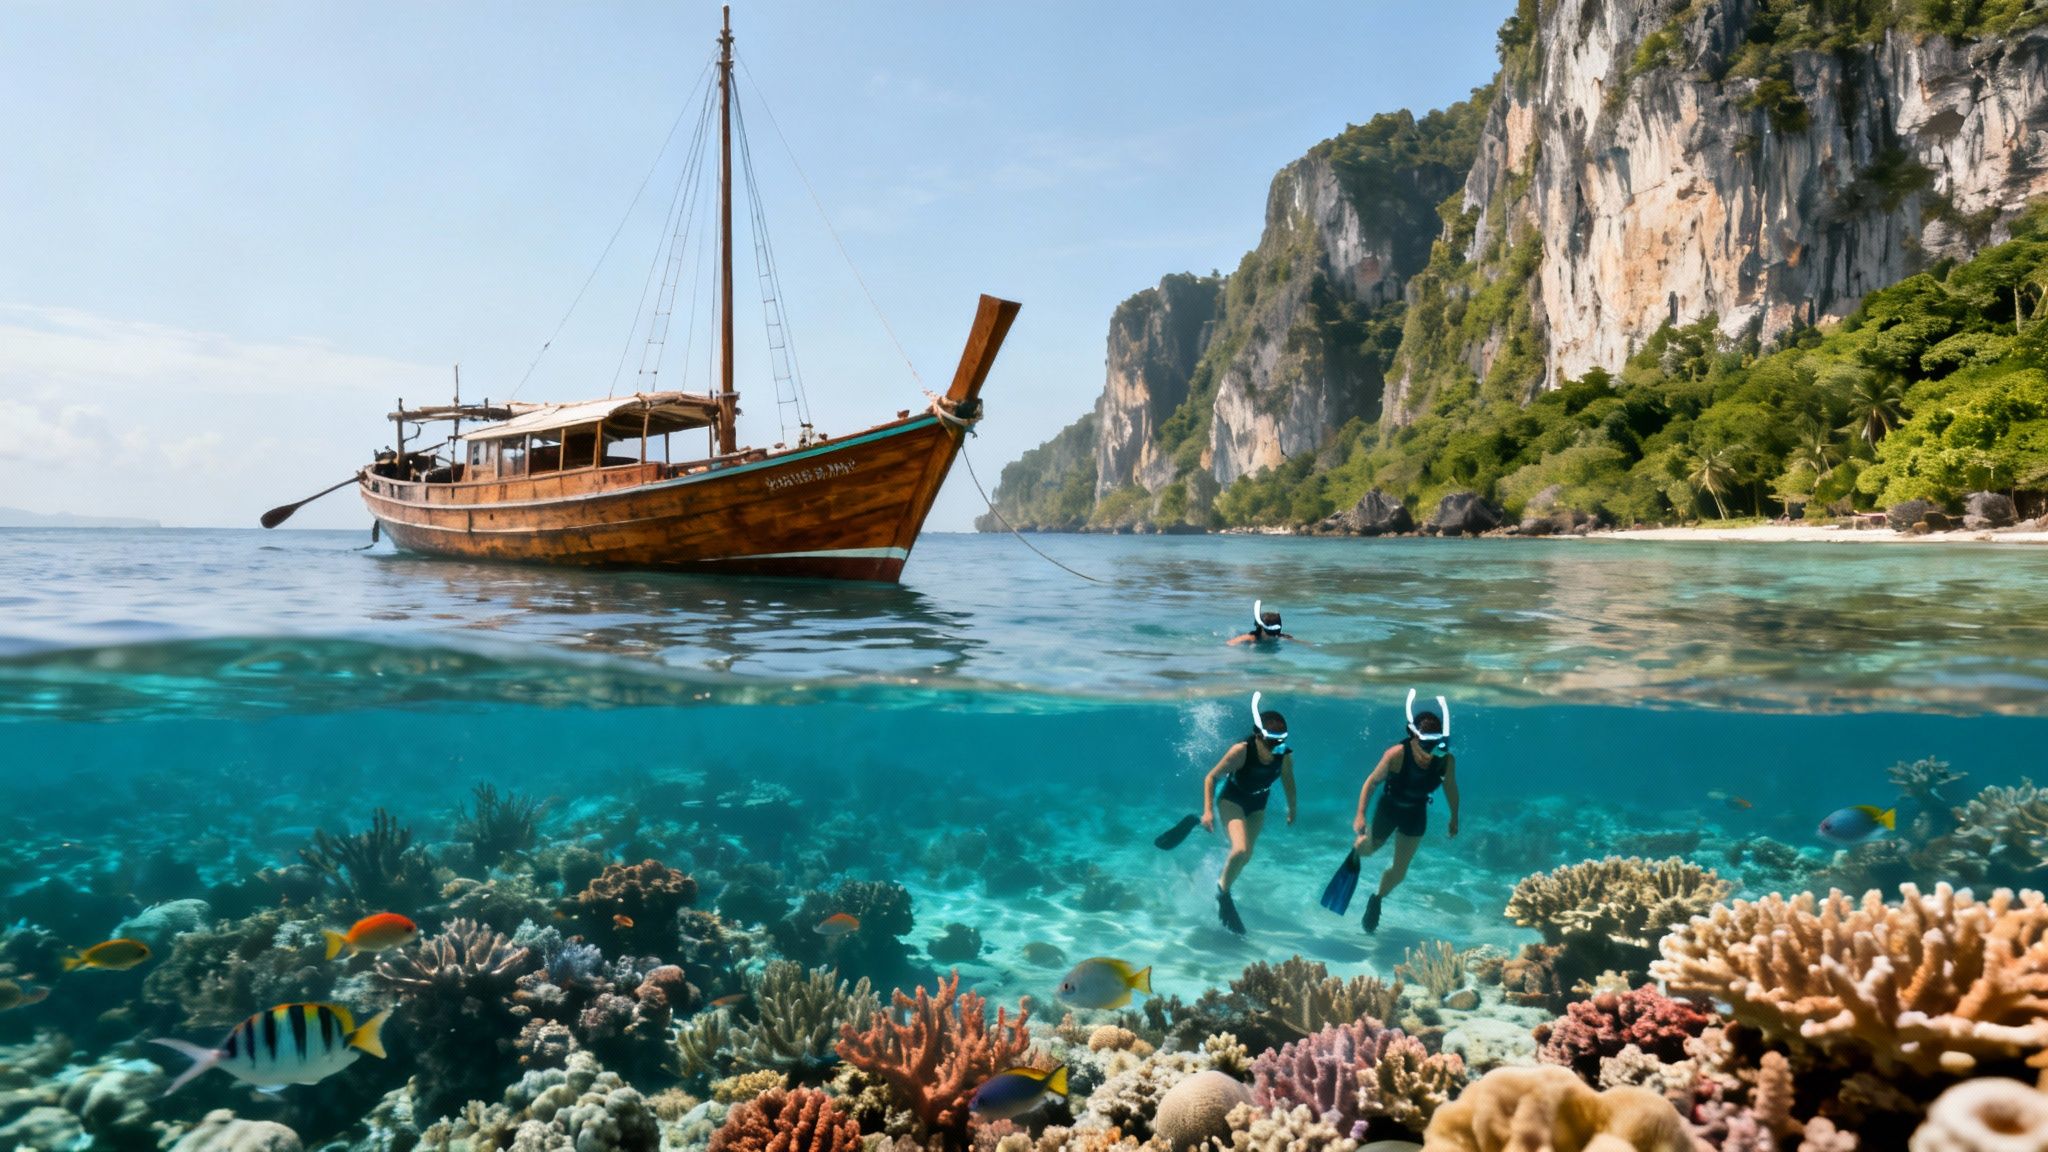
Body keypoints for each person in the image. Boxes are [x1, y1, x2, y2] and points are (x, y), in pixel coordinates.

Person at [1152, 692, 1297, 935]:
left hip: (1258, 802)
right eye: (1272, 741)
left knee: (1246, 856)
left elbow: (1288, 781)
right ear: (1258, 734)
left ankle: (1199, 830)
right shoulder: (1240, 751)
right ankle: (1223, 891)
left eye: (1280, 740)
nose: (1276, 746)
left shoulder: (1284, 755)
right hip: (1232, 798)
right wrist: (1208, 810)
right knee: (1239, 849)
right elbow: (1211, 777)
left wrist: (1293, 807)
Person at [1319, 689, 1459, 933]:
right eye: (1426, 744)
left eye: (1436, 744)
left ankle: (1376, 899)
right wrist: (1360, 814)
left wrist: (1454, 817)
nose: (1431, 750)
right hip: (1389, 809)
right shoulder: (1396, 755)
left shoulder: (1445, 759)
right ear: (1413, 736)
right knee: (1369, 850)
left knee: (1400, 871)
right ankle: (1356, 850)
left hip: (1416, 813)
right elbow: (1372, 782)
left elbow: (1451, 788)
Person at [1227, 600, 1300, 646]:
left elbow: (1303, 644)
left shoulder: (1281, 637)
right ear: (1261, 627)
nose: (1272, 634)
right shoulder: (1251, 637)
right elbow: (1229, 643)